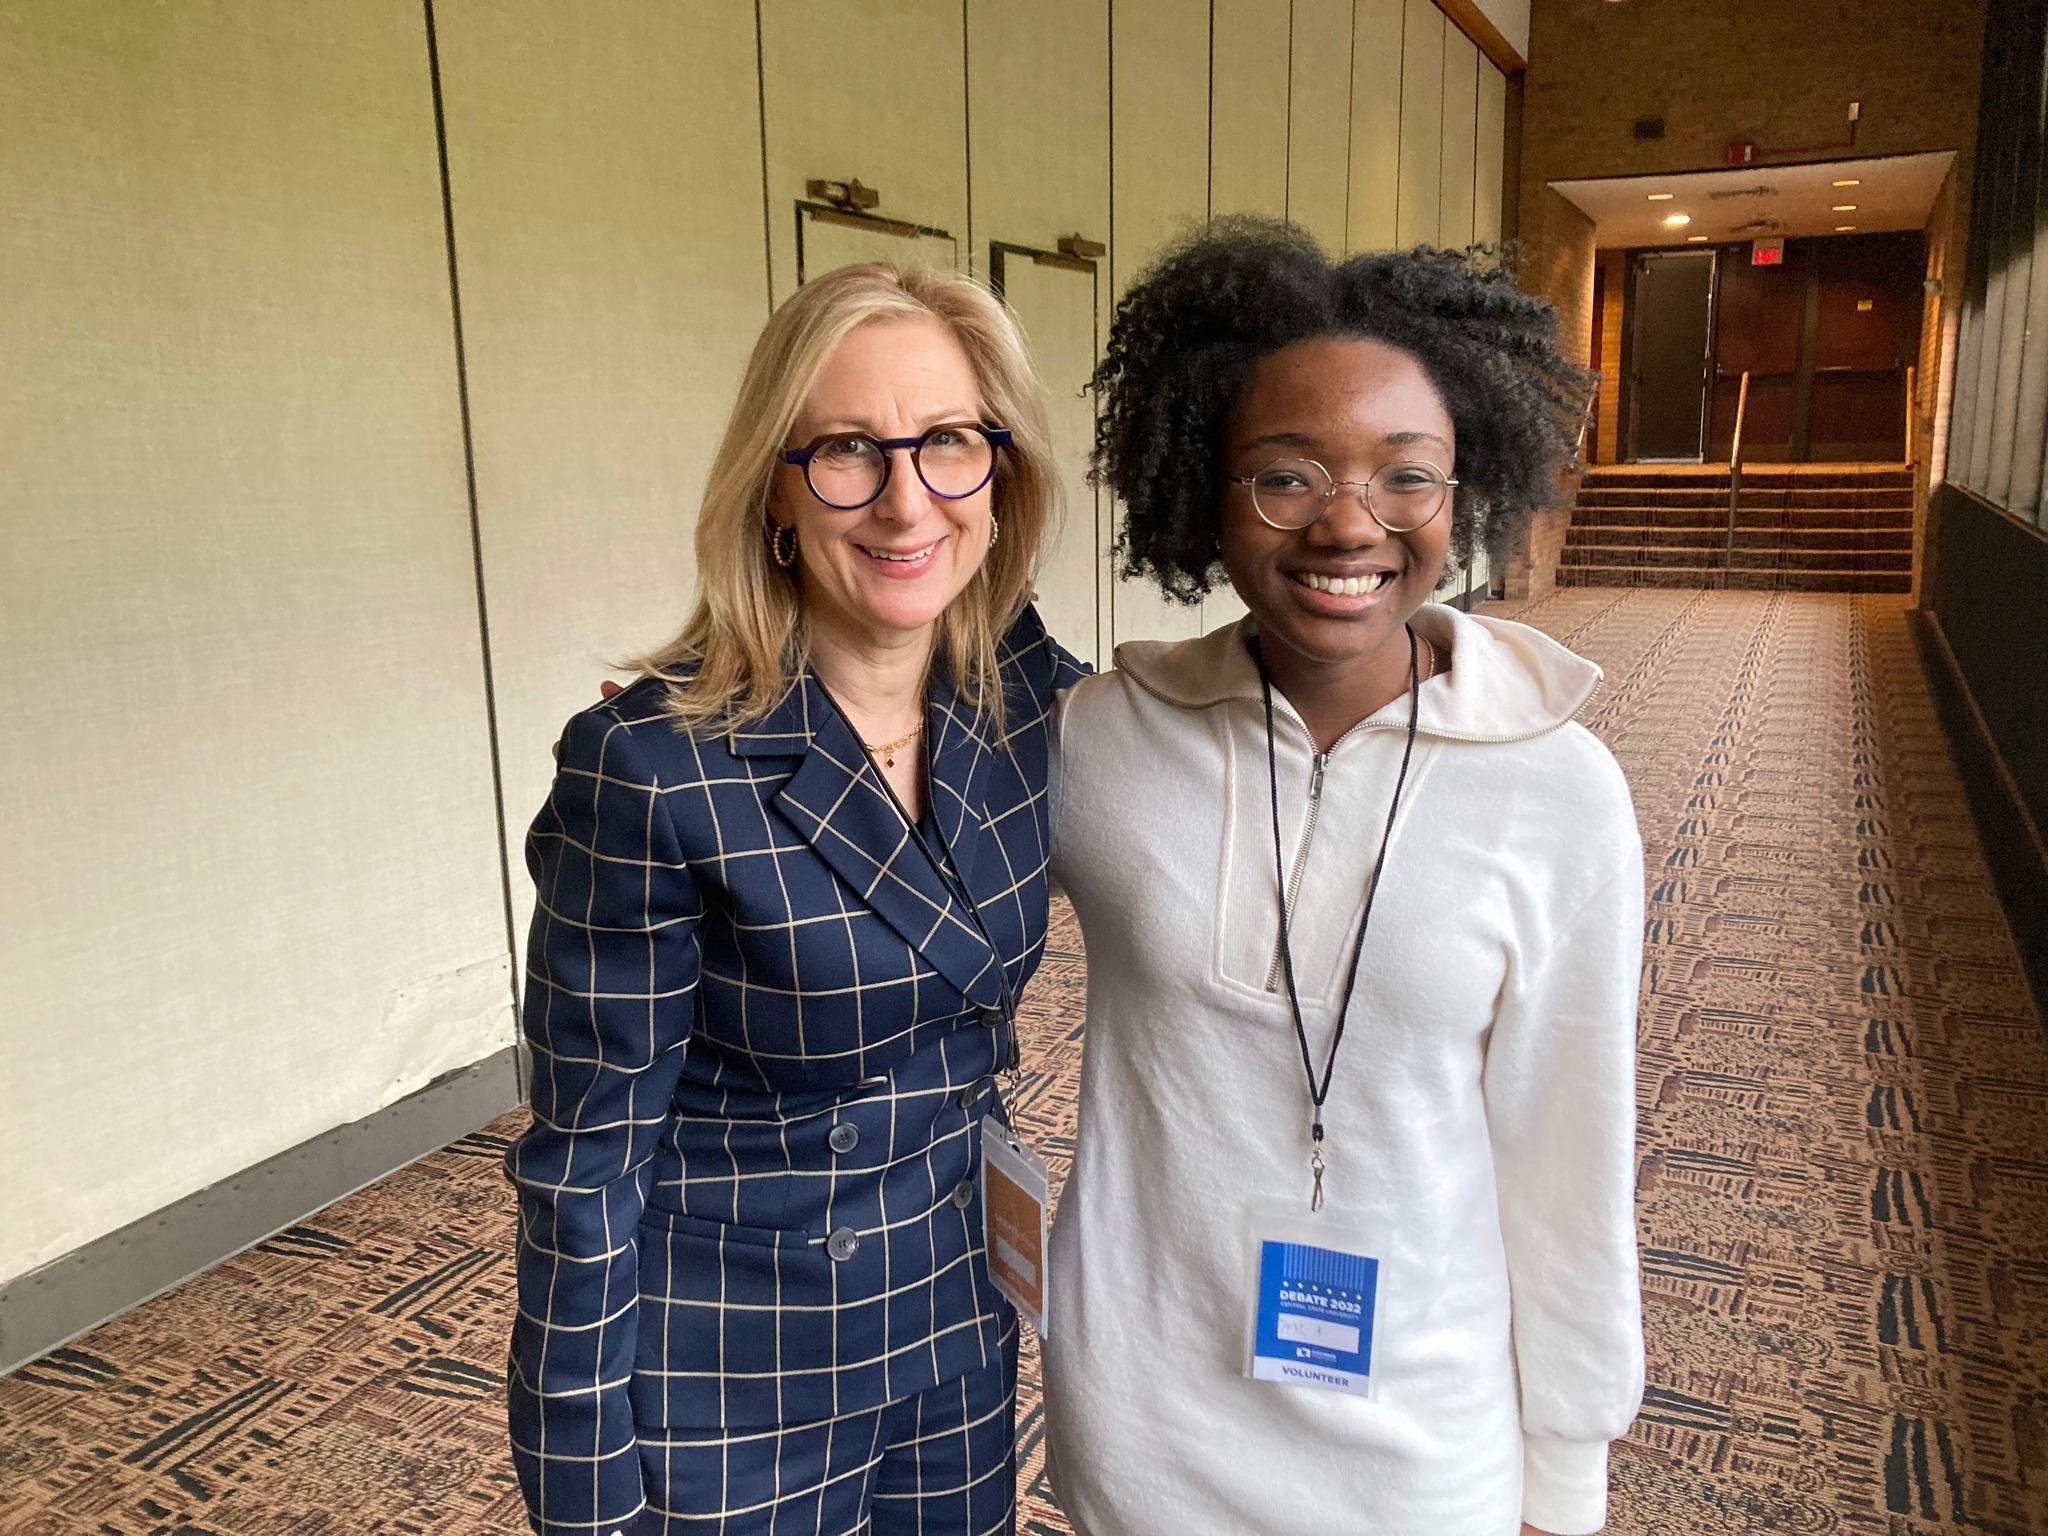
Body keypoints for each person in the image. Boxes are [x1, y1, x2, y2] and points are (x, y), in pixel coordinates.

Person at [1041, 222, 1645, 1536]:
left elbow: (1571, 1163)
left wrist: (1563, 1478)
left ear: (1464, 489)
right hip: (1144, 1430)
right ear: (1203, 487)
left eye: (1404, 476)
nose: (1350, 524)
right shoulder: (1100, 739)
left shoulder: (1560, 792)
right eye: (1287, 475)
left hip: (1423, 1452)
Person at [505, 262, 1085, 1536]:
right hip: (735, 1368)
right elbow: (586, 1165)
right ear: (772, 488)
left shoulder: (1017, 687)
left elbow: (1226, 720)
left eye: (947, 441)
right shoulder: (650, 767)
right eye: (845, 451)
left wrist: (1424, 651)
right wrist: (583, 1489)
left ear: (1001, 472)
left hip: (956, 1320)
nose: (905, 500)